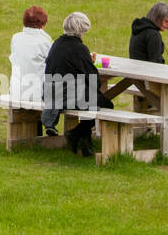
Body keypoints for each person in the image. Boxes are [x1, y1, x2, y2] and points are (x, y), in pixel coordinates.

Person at [41, 12, 114, 155]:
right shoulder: (79, 49)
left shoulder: (56, 44)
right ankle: (75, 134)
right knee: (106, 105)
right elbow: (93, 79)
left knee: (90, 101)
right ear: (81, 31)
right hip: (65, 97)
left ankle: (85, 144)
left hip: (51, 93)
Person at [10, 6, 53, 107]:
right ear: (43, 24)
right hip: (36, 93)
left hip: (16, 91)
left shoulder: (16, 38)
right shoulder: (45, 40)